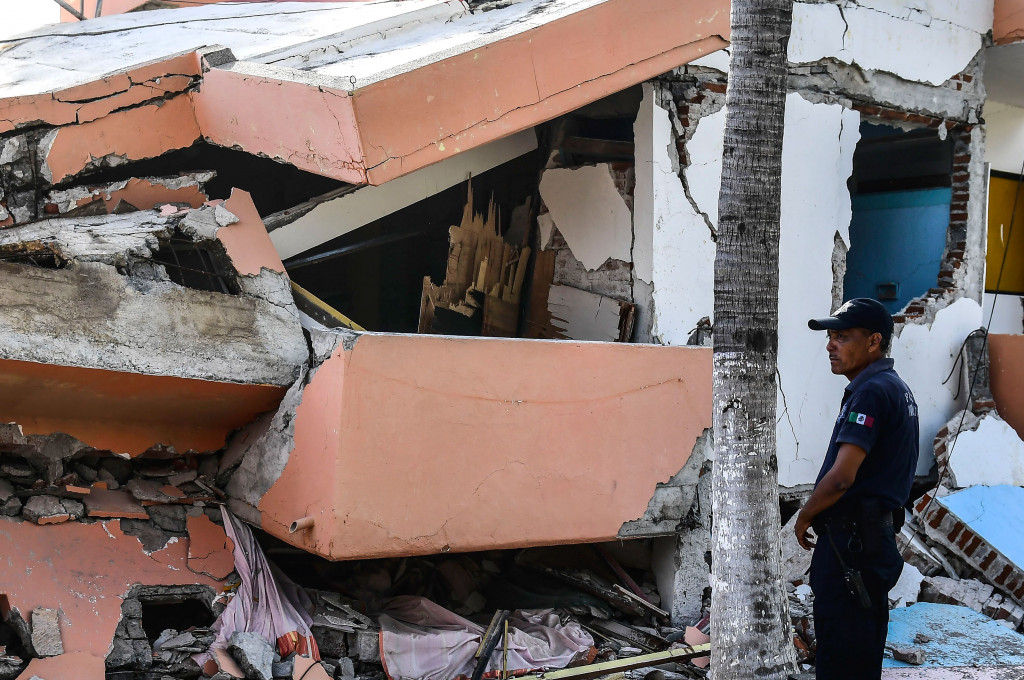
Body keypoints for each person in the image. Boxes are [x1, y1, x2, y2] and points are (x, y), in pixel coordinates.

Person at [794, 298, 920, 679]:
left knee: (842, 658)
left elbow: (842, 477)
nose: (830, 346)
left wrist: (805, 516)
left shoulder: (872, 392)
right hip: (869, 541)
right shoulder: (893, 388)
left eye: (843, 337)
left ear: (873, 341)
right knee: (860, 655)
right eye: (830, 337)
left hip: (853, 546)